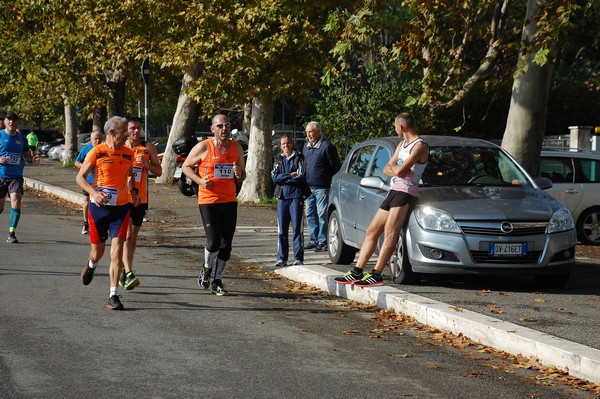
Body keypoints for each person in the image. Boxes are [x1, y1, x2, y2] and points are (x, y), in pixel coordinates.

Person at [334, 112, 429, 287]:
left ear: (401, 127)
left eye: (395, 126)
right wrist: (397, 167)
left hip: (406, 193)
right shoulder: (402, 145)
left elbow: (399, 171)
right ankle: (357, 270)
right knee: (372, 230)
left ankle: (377, 273)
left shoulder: (419, 146)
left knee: (390, 232)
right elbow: (388, 169)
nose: (395, 129)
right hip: (393, 191)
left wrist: (396, 168)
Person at [76, 116, 140, 310]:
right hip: (98, 209)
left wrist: (134, 192)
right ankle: (91, 264)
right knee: (98, 252)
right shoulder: (97, 152)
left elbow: (130, 176)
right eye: (124, 131)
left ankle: (113, 295)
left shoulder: (129, 153)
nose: (128, 134)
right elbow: (79, 178)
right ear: (112, 133)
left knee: (117, 250)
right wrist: (94, 192)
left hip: (121, 208)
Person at [181, 114, 246, 296]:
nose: (224, 128)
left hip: (229, 201)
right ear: (213, 129)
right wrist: (200, 181)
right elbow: (186, 167)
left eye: (227, 125)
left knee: (227, 244)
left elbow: (242, 174)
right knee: (214, 241)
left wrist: (238, 172)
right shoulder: (204, 146)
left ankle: (217, 280)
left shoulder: (236, 147)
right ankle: (207, 268)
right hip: (208, 201)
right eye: (220, 126)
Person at [118, 115, 162, 290]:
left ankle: (123, 268)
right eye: (132, 128)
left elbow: (159, 171)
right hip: (122, 198)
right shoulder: (120, 147)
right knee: (127, 235)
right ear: (126, 131)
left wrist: (147, 165)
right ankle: (129, 272)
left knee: (133, 236)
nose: (136, 131)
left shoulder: (147, 147)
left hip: (140, 199)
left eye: (138, 128)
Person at [0, 112, 41, 243]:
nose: (11, 122)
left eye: (14, 120)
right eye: (9, 120)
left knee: (16, 200)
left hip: (16, 176)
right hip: (1, 175)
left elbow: (26, 156)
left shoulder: (22, 138)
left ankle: (11, 232)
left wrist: (32, 159)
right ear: (5, 121)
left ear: (18, 123)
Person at [271, 135, 310, 267]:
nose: (286, 146)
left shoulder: (300, 157)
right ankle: (282, 258)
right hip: (282, 198)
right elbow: (275, 178)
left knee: (297, 230)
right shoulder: (278, 159)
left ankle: (298, 258)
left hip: (296, 197)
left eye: (288, 143)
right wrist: (290, 175)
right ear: (280, 146)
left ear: (292, 143)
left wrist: (285, 178)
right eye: (283, 144)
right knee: (282, 230)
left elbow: (300, 175)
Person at [303, 121, 341, 252]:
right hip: (308, 187)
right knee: (310, 214)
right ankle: (313, 240)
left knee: (322, 214)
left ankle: (323, 241)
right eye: (307, 132)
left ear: (318, 132)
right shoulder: (306, 146)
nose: (309, 134)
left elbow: (335, 167)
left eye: (311, 131)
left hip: (322, 187)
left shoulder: (327, 146)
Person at [74, 129, 104, 234]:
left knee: (100, 201)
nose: (98, 140)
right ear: (91, 139)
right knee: (88, 200)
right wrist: (87, 167)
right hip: (89, 181)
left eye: (100, 138)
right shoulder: (87, 149)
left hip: (102, 181)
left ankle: (99, 223)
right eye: (95, 138)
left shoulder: (105, 149)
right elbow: (76, 162)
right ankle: (86, 223)